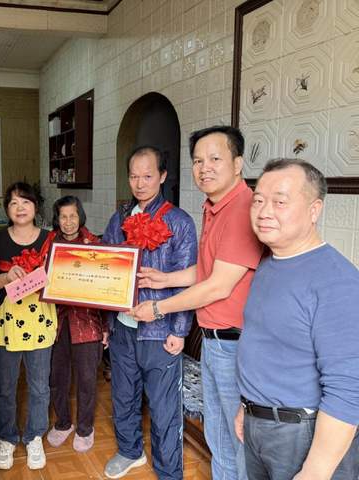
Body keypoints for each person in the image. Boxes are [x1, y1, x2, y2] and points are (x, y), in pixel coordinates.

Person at [133, 126, 264, 480]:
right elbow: (207, 269)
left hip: (235, 344)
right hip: (213, 340)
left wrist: (158, 308)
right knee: (219, 436)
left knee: (238, 441)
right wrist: (165, 279)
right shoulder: (215, 207)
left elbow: (218, 286)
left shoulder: (242, 209)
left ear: (237, 163)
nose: (204, 168)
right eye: (197, 161)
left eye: (215, 159)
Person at [234, 159, 359, 479]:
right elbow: (267, 345)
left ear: (314, 210)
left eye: (279, 202)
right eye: (258, 200)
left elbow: (349, 387)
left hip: (302, 433)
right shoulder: (270, 263)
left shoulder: (338, 281)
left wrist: (316, 470)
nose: (264, 211)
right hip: (259, 423)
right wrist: (247, 406)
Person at [101, 146, 197, 479]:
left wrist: (179, 331)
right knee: (123, 395)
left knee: (163, 405)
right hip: (122, 326)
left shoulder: (179, 222)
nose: (140, 183)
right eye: (133, 176)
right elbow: (108, 272)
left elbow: (188, 280)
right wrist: (107, 322)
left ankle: (169, 471)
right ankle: (130, 451)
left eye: (147, 176)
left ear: (162, 176)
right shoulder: (119, 219)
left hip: (161, 328)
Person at [0, 182, 57, 471]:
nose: (20, 207)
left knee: (39, 386)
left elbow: (61, 278)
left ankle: (35, 435)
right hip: (5, 321)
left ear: (36, 206)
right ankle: (7, 437)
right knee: (5, 386)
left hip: (40, 320)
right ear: (7, 209)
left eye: (25, 201)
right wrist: (6, 277)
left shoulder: (50, 239)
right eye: (13, 203)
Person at [45, 195, 107, 453]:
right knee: (57, 377)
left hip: (88, 323)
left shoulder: (95, 245)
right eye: (63, 217)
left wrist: (106, 328)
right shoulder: (49, 244)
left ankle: (85, 428)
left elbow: (107, 289)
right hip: (55, 322)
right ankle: (62, 423)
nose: (68, 222)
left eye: (73, 216)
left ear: (80, 216)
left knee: (87, 379)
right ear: (57, 219)